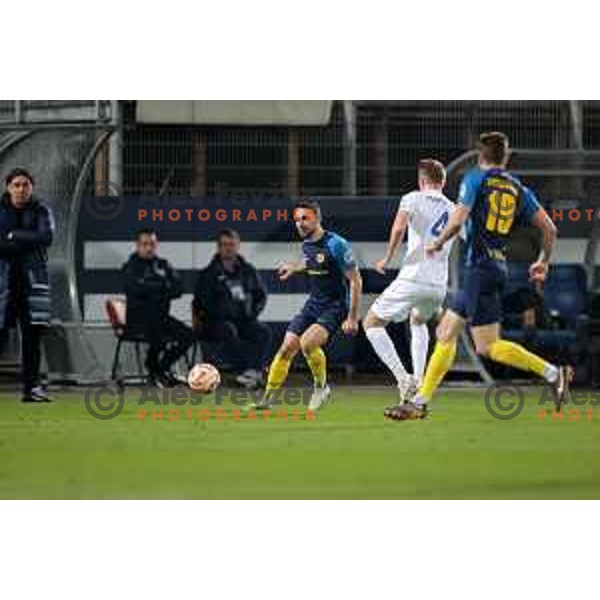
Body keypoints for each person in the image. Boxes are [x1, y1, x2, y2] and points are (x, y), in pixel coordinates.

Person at [386, 132, 571, 421]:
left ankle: (419, 403)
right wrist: (543, 261)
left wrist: (436, 242)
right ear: (505, 157)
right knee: (488, 346)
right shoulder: (517, 188)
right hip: (498, 268)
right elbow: (550, 229)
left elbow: (458, 220)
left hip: (479, 267)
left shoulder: (475, 179)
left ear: (479, 156)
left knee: (445, 332)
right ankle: (554, 373)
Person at [255, 198, 362, 411]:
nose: (300, 223)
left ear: (317, 218)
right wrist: (295, 268)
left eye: (305, 218)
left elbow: (356, 280)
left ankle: (321, 388)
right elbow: (314, 260)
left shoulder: (336, 244)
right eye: (296, 219)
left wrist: (352, 317)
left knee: (308, 344)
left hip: (335, 306)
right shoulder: (306, 243)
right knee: (286, 348)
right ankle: (267, 400)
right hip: (313, 304)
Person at [363, 159, 455, 402]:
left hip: (414, 277)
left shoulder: (412, 198)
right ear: (443, 182)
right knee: (418, 320)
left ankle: (403, 378)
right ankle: (420, 379)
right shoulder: (454, 208)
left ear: (422, 180)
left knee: (371, 323)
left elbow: (398, 228)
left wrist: (387, 258)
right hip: (438, 286)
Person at [0, 168, 54, 402]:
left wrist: (13, 236)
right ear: (8, 187)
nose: (21, 189)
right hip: (4, 283)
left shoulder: (42, 210)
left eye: (26, 184)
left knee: (33, 337)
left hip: (33, 284)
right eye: (17, 185)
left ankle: (31, 389)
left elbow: (46, 238)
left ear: (32, 187)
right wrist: (26, 240)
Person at [192, 229, 271, 388]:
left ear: (238, 246)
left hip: (244, 320)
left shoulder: (248, 271)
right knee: (228, 330)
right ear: (219, 247)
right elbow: (201, 303)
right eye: (224, 245)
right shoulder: (209, 274)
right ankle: (247, 371)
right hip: (215, 323)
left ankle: (252, 372)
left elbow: (261, 295)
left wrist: (252, 313)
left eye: (231, 245)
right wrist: (221, 313)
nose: (228, 248)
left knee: (263, 331)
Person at [122, 228, 194, 387]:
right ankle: (156, 370)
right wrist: (162, 287)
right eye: (145, 244)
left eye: (152, 244)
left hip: (161, 317)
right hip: (138, 320)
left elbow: (179, 288)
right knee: (159, 332)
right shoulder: (130, 267)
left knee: (188, 336)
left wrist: (152, 288)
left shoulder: (163, 265)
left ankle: (160, 369)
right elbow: (135, 288)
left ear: (156, 245)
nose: (148, 248)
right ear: (138, 245)